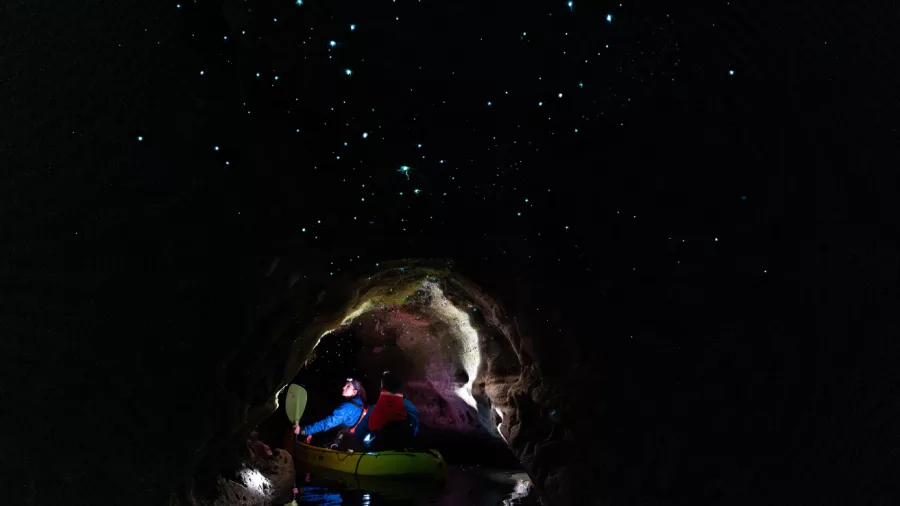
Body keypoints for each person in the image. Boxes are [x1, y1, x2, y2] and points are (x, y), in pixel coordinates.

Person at [294, 378, 368, 450]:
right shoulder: (359, 404)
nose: (343, 387)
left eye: (348, 386)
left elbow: (327, 423)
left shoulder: (347, 407)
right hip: (342, 437)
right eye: (345, 385)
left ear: (354, 392)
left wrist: (304, 430)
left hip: (334, 440)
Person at [356, 371, 419, 450]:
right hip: (404, 451)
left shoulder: (375, 409)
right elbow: (415, 432)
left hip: (380, 452)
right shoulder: (412, 409)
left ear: (382, 386)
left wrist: (370, 441)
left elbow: (359, 433)